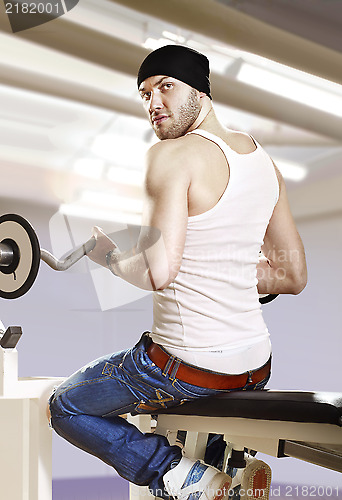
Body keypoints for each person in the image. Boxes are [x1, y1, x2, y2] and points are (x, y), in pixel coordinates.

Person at [49, 45, 307, 500]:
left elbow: (156, 272)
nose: (154, 103)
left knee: (66, 405)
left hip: (185, 370)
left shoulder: (170, 156)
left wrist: (109, 256)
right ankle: (226, 474)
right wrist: (231, 266)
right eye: (145, 93)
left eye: (166, 87)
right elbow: (292, 276)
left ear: (202, 93)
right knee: (201, 430)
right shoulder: (262, 161)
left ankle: (180, 475)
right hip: (254, 368)